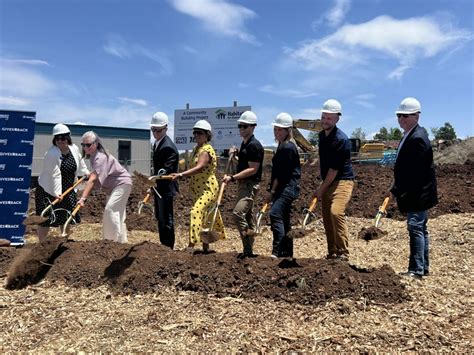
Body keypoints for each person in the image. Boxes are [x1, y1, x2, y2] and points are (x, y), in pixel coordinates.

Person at [391, 97, 438, 280]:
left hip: (418, 193)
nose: (401, 119)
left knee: (415, 228)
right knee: (420, 228)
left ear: (416, 116)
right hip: (416, 191)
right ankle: (423, 268)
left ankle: (416, 270)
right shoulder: (410, 134)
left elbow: (415, 172)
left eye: (405, 116)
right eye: (399, 116)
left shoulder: (418, 138)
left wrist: (397, 189)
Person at [171, 120, 226, 253]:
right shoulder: (196, 149)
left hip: (208, 188)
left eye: (199, 133)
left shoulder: (206, 150)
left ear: (207, 135)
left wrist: (181, 175)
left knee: (196, 212)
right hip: (198, 188)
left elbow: (200, 167)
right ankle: (205, 246)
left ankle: (191, 245)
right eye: (195, 133)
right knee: (205, 215)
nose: (196, 135)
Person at [35, 124, 89, 241]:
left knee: (66, 217)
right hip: (48, 189)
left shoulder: (73, 149)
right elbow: (55, 174)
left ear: (68, 138)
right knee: (45, 219)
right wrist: (57, 193)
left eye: (63, 138)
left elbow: (80, 162)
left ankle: (63, 241)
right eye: (57, 138)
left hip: (68, 189)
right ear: (54, 139)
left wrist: (86, 172)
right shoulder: (51, 153)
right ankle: (42, 244)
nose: (60, 141)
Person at [316, 99, 354, 261]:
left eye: (329, 118)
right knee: (326, 217)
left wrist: (321, 189)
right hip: (328, 180)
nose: (325, 120)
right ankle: (332, 252)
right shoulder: (321, 136)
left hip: (343, 181)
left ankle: (343, 253)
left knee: (335, 212)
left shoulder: (341, 140)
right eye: (324, 117)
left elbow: (333, 170)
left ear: (337, 119)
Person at [78, 131, 132, 243]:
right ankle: (122, 242)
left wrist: (83, 198)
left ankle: (111, 242)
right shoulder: (93, 157)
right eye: (83, 145)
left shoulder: (100, 157)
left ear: (96, 144)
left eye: (88, 145)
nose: (85, 147)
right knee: (118, 214)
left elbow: (93, 180)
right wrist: (91, 176)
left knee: (110, 210)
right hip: (114, 187)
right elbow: (95, 177)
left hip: (121, 184)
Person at [223, 111, 264, 259]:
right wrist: (235, 153)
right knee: (246, 216)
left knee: (237, 213)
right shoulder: (246, 143)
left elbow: (253, 169)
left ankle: (249, 239)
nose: (241, 129)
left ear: (253, 127)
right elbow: (245, 161)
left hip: (249, 185)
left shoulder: (255, 145)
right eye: (240, 126)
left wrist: (232, 178)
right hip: (243, 184)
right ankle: (248, 251)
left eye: (245, 126)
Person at [267, 113, 301, 260]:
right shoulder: (282, 146)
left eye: (280, 130)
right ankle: (287, 253)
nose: (277, 132)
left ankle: (278, 251)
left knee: (274, 214)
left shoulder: (287, 147)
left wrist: (272, 191)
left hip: (287, 187)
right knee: (284, 219)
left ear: (288, 131)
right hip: (286, 186)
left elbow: (281, 174)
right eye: (276, 129)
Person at [150, 112, 179, 249]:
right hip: (159, 187)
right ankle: (164, 246)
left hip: (166, 189)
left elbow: (166, 170)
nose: (155, 133)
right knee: (160, 217)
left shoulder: (168, 146)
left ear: (166, 128)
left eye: (158, 130)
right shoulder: (157, 143)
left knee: (166, 219)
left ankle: (168, 248)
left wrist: (154, 178)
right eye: (153, 130)